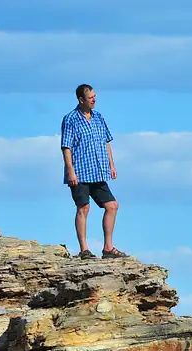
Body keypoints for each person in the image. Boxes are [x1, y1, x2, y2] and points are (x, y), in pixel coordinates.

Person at [60, 84, 127, 259]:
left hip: (98, 171)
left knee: (112, 206)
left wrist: (111, 165)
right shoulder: (71, 119)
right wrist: (70, 171)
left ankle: (108, 248)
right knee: (84, 208)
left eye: (95, 96)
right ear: (81, 100)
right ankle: (84, 250)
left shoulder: (98, 117)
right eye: (90, 97)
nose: (94, 100)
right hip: (80, 172)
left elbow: (106, 142)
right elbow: (66, 146)